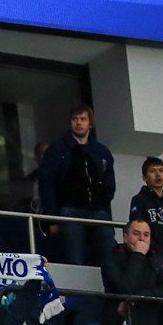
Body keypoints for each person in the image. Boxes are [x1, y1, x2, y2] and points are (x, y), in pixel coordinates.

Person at [37, 106, 116, 269]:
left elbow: (109, 185)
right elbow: (46, 185)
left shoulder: (102, 151)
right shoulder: (57, 149)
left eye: (83, 119)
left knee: (108, 258)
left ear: (90, 124)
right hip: (70, 211)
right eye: (75, 119)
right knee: (75, 260)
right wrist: (53, 218)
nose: (78, 123)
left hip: (98, 212)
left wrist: (102, 204)